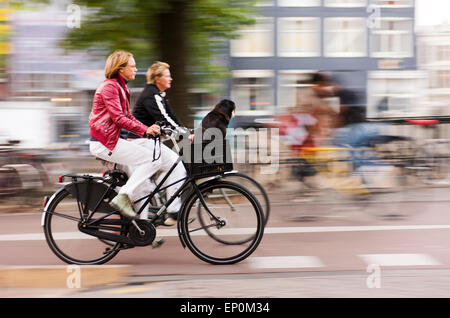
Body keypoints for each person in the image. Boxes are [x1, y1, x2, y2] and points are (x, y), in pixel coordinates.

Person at [88, 50, 161, 219]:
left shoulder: (120, 87)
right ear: (121, 69)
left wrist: (147, 129)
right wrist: (144, 130)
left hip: (112, 141)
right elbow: (119, 118)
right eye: (133, 66)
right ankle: (123, 197)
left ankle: (142, 225)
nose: (136, 69)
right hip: (105, 143)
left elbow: (127, 117)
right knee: (153, 160)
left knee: (141, 185)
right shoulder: (110, 87)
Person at [126, 61, 189, 226]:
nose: (171, 78)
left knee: (168, 169)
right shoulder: (151, 95)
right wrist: (184, 134)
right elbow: (164, 119)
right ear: (157, 78)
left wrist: (186, 131)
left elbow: (172, 117)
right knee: (177, 167)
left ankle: (161, 203)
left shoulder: (158, 94)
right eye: (167, 76)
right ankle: (173, 211)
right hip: (140, 143)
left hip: (144, 142)